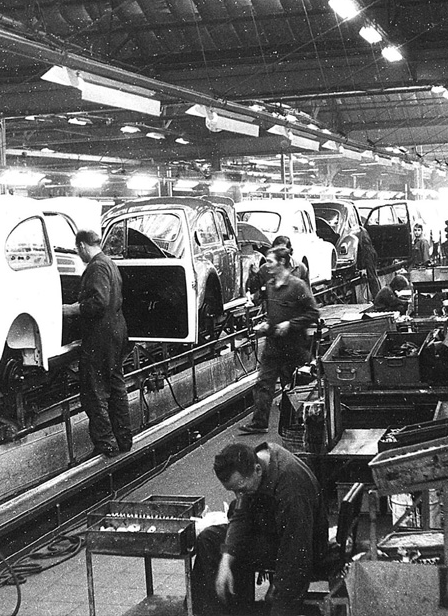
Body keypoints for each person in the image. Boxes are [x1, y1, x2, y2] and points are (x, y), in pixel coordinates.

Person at [191, 442, 329, 615]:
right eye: (233, 491)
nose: (238, 496)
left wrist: (280, 601)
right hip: (276, 530)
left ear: (257, 470)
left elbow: (295, 557)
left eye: (241, 489)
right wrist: (226, 560)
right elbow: (242, 513)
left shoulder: (292, 491)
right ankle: (222, 610)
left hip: (305, 545)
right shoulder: (258, 462)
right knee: (209, 538)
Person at [62, 229, 132, 457]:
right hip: (116, 331)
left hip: (101, 335)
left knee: (94, 391)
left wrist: (72, 309)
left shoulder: (97, 266)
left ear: (82, 246)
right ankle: (124, 440)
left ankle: (106, 445)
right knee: (115, 385)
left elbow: (99, 302)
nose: (78, 253)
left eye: (77, 249)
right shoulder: (109, 263)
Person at [239, 247, 319, 435]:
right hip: (273, 343)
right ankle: (259, 423)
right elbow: (273, 313)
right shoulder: (271, 286)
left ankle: (304, 422)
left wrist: (290, 324)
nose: (267, 265)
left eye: (270, 262)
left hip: (295, 344)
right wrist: (267, 325)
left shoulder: (298, 287)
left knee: (299, 384)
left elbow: (313, 312)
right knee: (264, 382)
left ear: (282, 263)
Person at [246, 235, 310, 305]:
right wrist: (253, 276)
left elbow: (308, 297)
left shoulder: (300, 268)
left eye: (282, 250)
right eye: (276, 251)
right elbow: (254, 291)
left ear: (289, 250)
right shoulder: (265, 269)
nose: (279, 253)